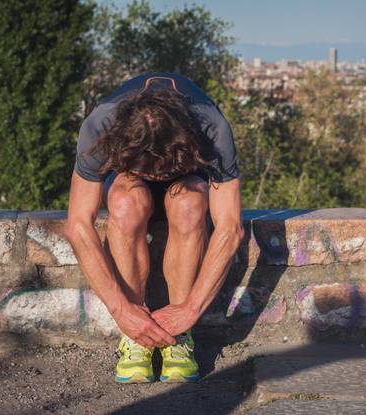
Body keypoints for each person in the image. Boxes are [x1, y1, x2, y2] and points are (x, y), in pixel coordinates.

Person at [65, 72, 244, 383]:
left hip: (188, 184)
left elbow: (230, 228)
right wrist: (122, 311)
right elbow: (79, 225)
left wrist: (189, 310)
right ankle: (136, 336)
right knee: (124, 202)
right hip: (131, 191)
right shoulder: (100, 126)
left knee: (188, 203)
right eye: (149, 169)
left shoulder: (211, 128)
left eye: (164, 169)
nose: (157, 176)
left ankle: (180, 339)